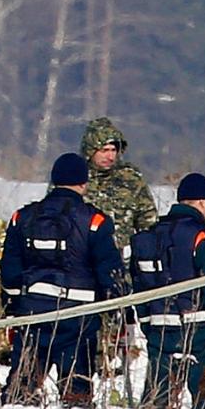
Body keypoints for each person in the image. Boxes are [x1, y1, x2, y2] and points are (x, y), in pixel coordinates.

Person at [0, 153, 124, 409]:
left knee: (20, 389)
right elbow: (110, 273)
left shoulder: (22, 217)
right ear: (84, 183)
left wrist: (12, 306)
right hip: (78, 318)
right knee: (76, 393)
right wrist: (118, 310)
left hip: (32, 314)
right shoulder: (95, 221)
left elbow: (10, 270)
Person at [130, 173, 205, 409]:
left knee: (154, 408)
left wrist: (146, 322)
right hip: (199, 331)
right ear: (201, 202)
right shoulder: (202, 238)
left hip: (159, 330)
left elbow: (139, 286)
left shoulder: (148, 237)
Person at [79, 117, 157, 378]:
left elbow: (147, 221)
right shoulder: (75, 177)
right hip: (81, 265)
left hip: (118, 265)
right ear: (91, 150)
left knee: (115, 318)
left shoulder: (130, 179)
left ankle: (111, 365)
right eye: (103, 150)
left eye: (113, 150)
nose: (110, 156)